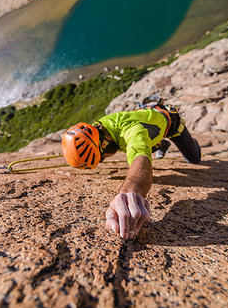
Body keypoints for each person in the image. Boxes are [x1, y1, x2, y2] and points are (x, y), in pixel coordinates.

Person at [61, 95, 201, 241]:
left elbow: (141, 159)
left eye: (102, 157)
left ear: (103, 146)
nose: (105, 159)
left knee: (194, 158)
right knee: (146, 141)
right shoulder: (101, 127)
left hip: (172, 125)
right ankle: (159, 145)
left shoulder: (132, 131)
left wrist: (129, 194)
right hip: (148, 123)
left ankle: (177, 143)